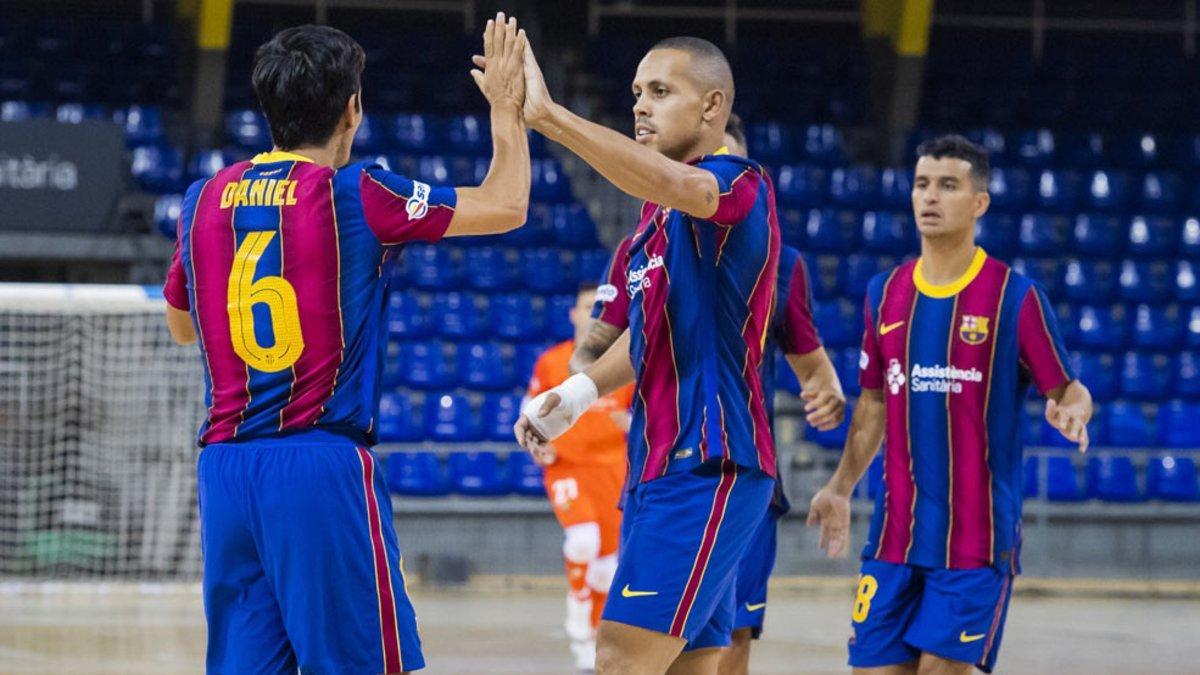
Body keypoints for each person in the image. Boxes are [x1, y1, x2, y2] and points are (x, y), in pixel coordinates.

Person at [163, 17, 530, 674]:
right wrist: (507, 107)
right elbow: (507, 204)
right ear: (352, 108)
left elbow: (181, 321)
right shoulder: (359, 193)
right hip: (316, 465)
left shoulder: (201, 199)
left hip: (223, 472)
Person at [514, 36, 780, 675]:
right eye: (637, 92)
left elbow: (675, 180)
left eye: (660, 92)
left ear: (713, 106)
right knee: (691, 665)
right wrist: (575, 395)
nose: (641, 106)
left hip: (707, 462)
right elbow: (645, 337)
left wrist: (549, 117)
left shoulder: (736, 181)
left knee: (619, 660)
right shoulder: (652, 224)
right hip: (656, 469)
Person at [806, 135, 1093, 675]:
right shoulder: (883, 293)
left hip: (976, 546)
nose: (929, 197)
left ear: (979, 202)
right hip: (893, 542)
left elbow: (1069, 389)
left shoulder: (1015, 296)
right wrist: (840, 487)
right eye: (921, 184)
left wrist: (1075, 408)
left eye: (947, 185)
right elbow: (872, 404)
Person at [716, 115, 846, 675]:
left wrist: (827, 389)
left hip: (746, 474)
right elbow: (604, 346)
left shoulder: (782, 264)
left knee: (735, 634)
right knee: (648, 637)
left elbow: (812, 365)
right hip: (660, 472)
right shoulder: (642, 250)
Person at [527, 283, 635, 673]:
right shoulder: (551, 362)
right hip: (568, 466)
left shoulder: (619, 365)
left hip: (613, 468)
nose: (592, 314)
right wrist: (538, 442)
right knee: (583, 539)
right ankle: (576, 623)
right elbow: (531, 411)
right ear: (573, 313)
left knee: (607, 563)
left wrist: (632, 422)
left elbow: (646, 415)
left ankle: (593, 634)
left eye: (599, 308)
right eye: (586, 306)